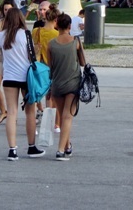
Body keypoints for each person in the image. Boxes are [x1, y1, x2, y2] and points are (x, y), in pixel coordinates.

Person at [0, 8, 44, 160]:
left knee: (11, 112)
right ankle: (31, 146)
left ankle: (12, 149)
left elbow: (1, 54)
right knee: (30, 112)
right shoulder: (25, 34)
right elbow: (31, 56)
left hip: (9, 76)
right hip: (26, 77)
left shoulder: (1, 36)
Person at [48, 13, 85, 161]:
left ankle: (67, 145)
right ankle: (60, 150)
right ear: (70, 26)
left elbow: (50, 67)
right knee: (68, 116)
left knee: (63, 117)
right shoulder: (75, 42)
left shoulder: (51, 44)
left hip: (57, 83)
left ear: (57, 26)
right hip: (72, 83)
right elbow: (82, 62)